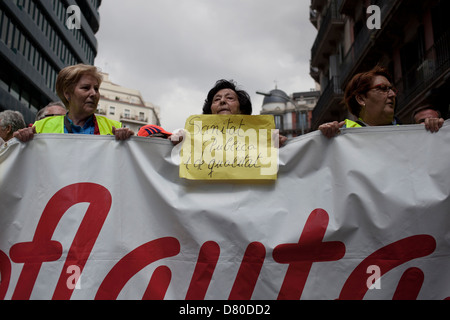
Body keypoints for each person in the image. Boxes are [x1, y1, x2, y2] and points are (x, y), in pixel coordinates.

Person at [13, 64, 134, 142]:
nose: (94, 93)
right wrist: (21, 140)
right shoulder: (40, 128)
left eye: (96, 88)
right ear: (67, 94)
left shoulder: (115, 128)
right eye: (86, 88)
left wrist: (129, 141)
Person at [171, 79, 287, 146]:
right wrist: (177, 141)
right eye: (217, 99)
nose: (222, 101)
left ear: (242, 109)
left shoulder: (262, 139)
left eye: (230, 98)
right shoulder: (192, 137)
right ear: (210, 110)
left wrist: (281, 145)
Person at [319, 65, 400, 138]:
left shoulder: (408, 133)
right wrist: (324, 136)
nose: (392, 94)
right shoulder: (342, 134)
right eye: (382, 88)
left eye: (392, 89)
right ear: (361, 99)